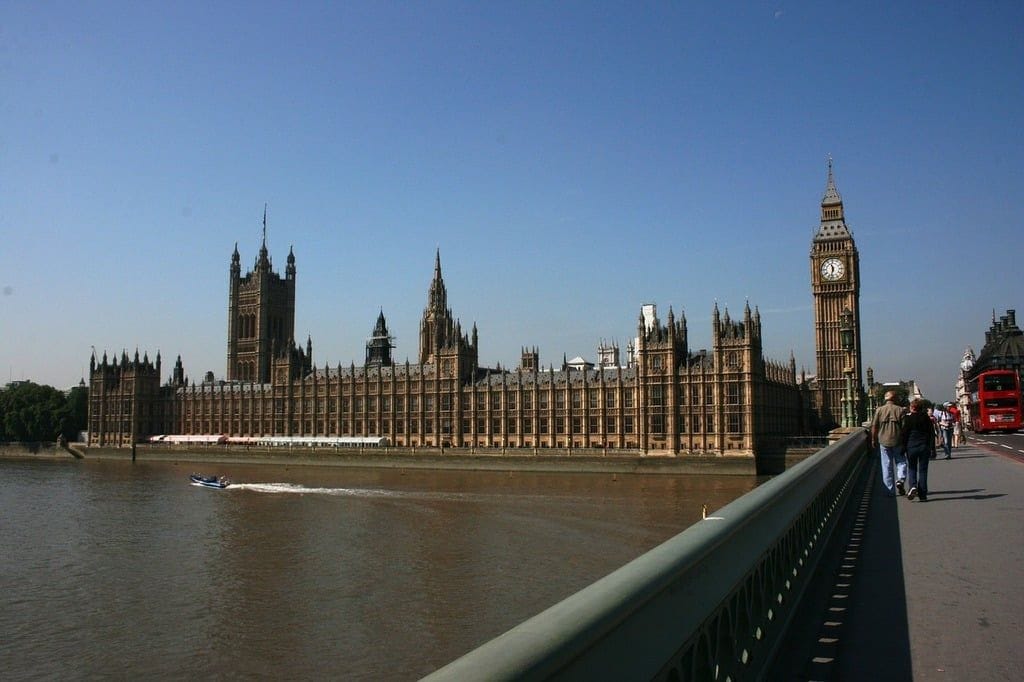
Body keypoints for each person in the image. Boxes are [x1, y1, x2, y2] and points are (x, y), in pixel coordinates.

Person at [870, 391, 908, 496]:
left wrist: (873, 439)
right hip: (898, 440)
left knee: (886, 466)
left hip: (883, 441)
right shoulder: (900, 410)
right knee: (901, 462)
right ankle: (901, 479)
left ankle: (889, 490)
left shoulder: (879, 410)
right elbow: (905, 428)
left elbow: (874, 426)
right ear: (895, 399)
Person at [902, 398, 936, 501]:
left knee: (912, 468)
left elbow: (904, 435)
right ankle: (923, 494)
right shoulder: (926, 418)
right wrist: (932, 448)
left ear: (912, 408)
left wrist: (902, 449)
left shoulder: (908, 419)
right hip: (924, 446)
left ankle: (912, 486)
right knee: (923, 470)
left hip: (911, 447)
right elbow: (931, 434)